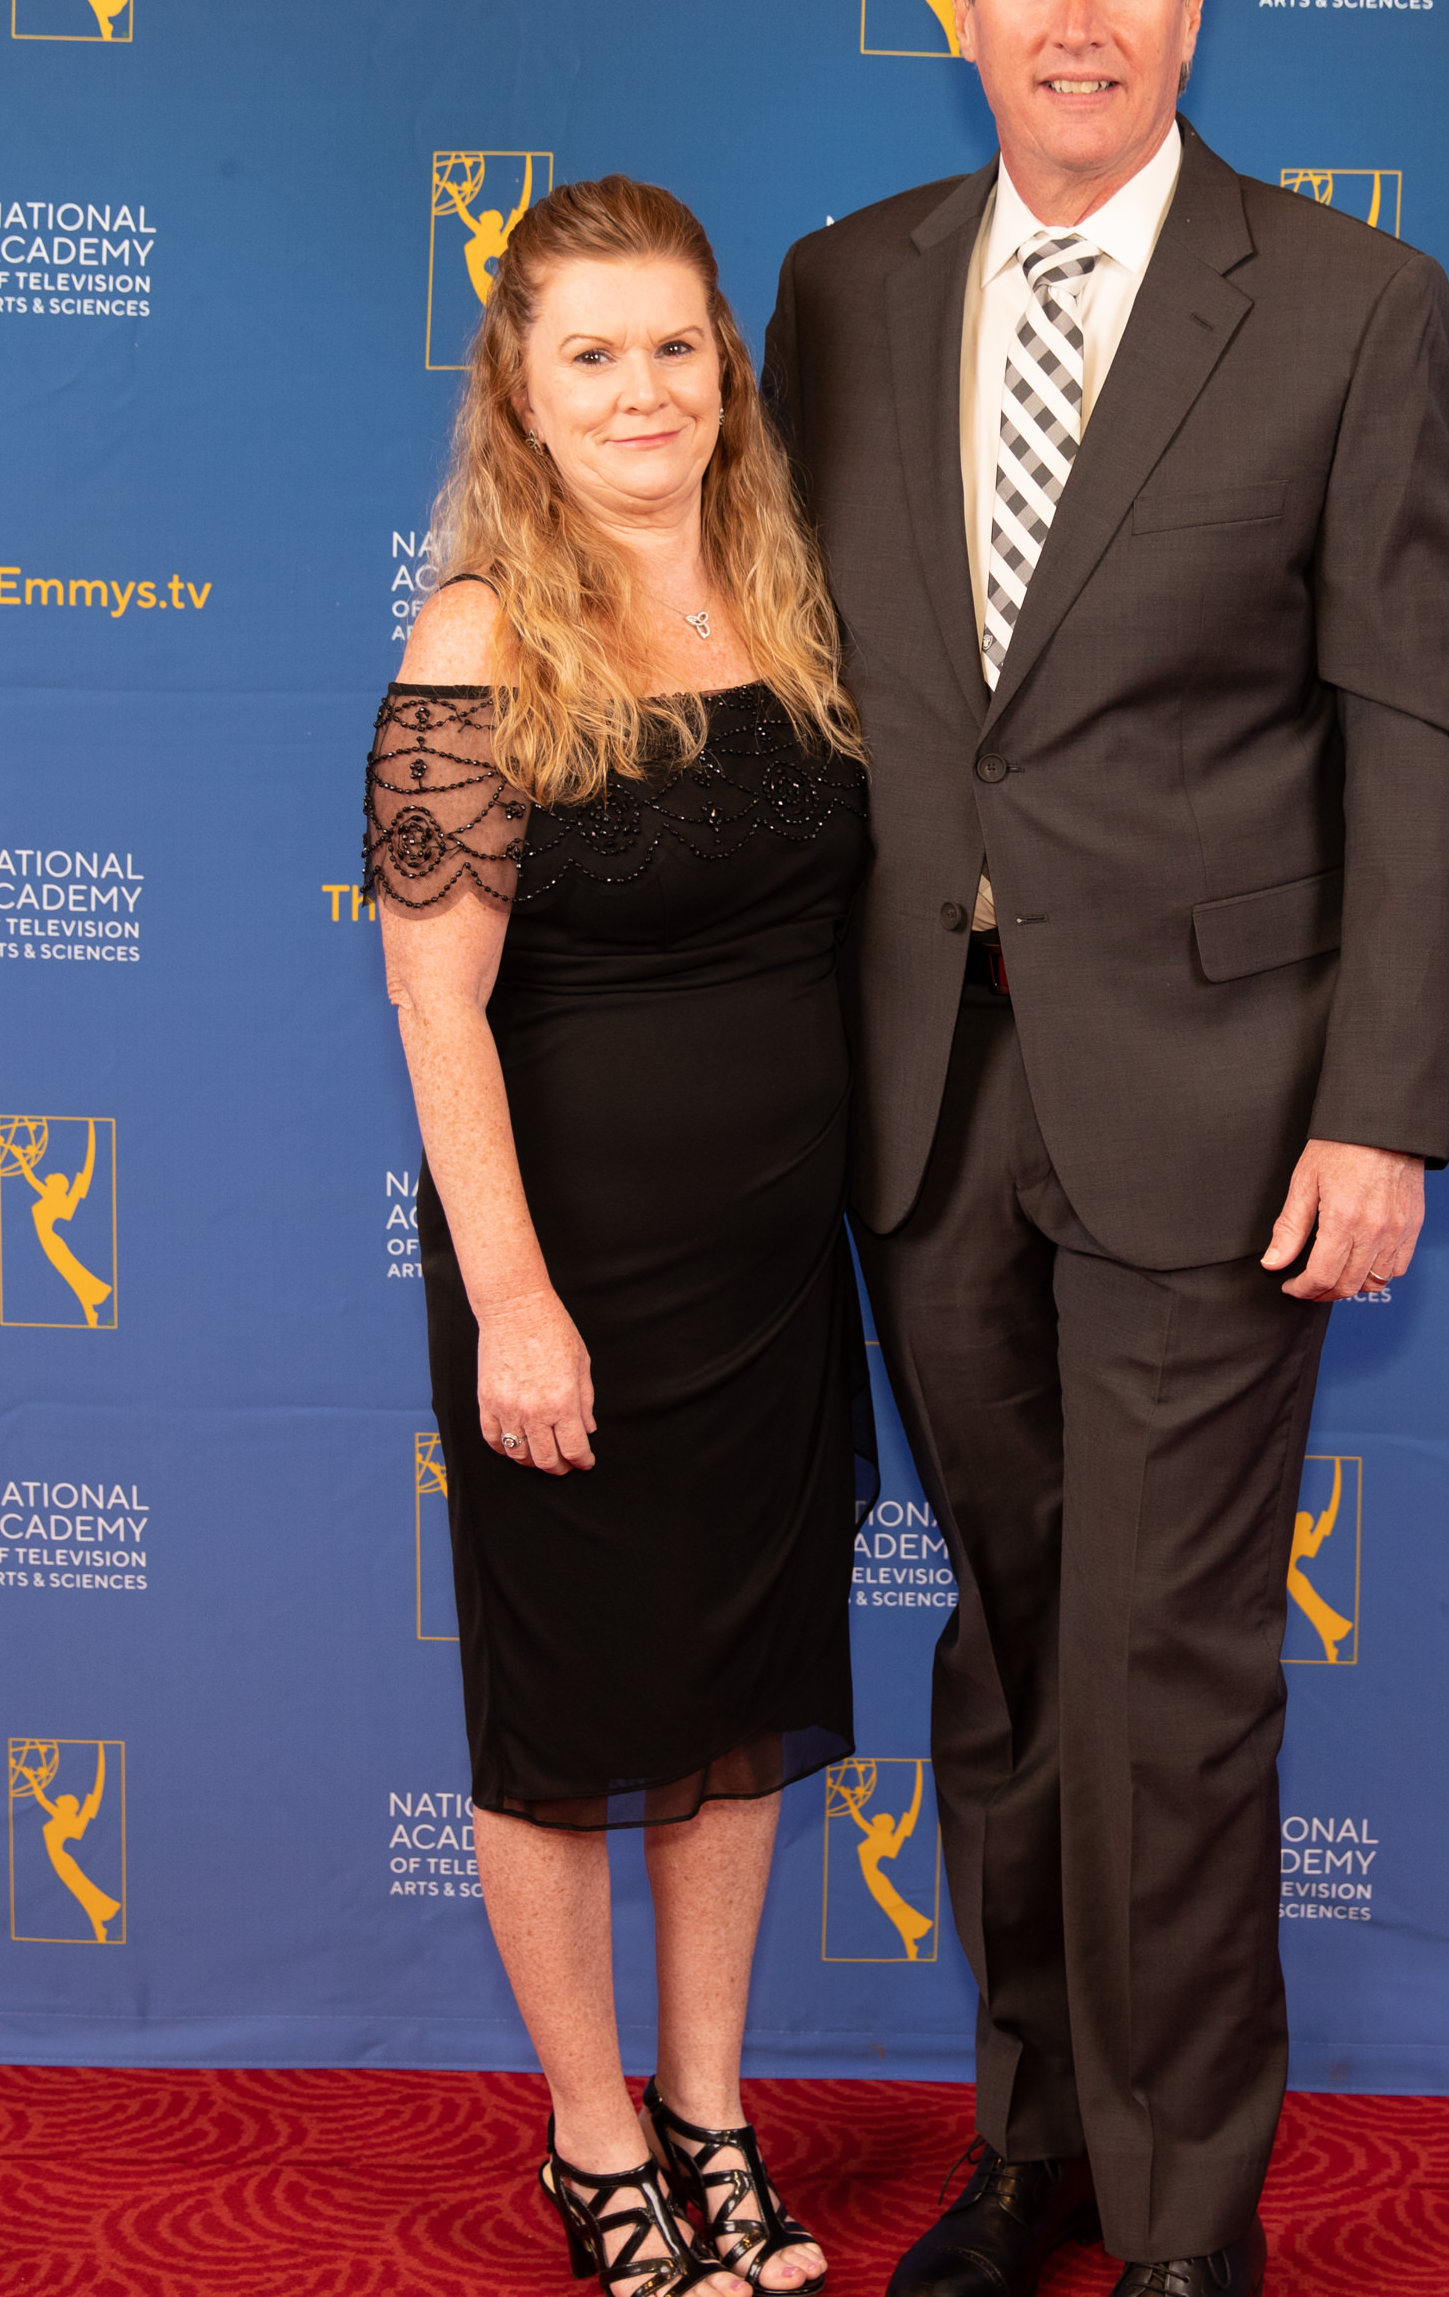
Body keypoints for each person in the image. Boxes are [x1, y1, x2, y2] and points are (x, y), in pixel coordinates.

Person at [762, 0, 1449, 2297]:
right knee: (1005, 1650)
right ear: (951, 1)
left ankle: (1191, 2223)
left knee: (1162, 1668)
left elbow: (1420, 733)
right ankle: (1036, 2151)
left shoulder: (1347, 305)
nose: (1071, 16)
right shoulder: (843, 291)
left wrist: (1382, 1105)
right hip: (918, 1094)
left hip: (1219, 1102)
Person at [370, 176, 870, 2297]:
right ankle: (594, 2143)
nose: (642, 389)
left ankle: (711, 2113)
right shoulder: (474, 639)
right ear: (519, 386)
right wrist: (511, 1299)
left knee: (737, 1706)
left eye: (675, 346)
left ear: (724, 370)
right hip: (567, 1278)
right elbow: (431, 998)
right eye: (592, 353)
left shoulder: (796, 591)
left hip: (776, 1282)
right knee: (572, 1723)